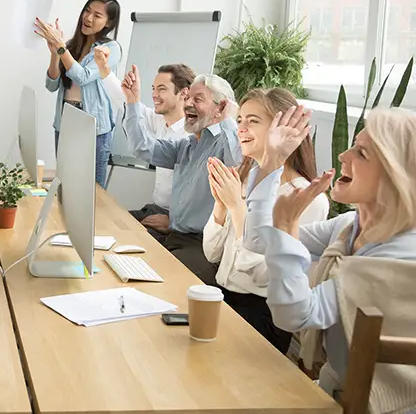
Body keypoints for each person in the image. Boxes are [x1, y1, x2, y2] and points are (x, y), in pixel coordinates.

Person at [244, 106, 416, 405]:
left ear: (395, 175)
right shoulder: (350, 225)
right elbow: (257, 239)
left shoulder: (402, 254)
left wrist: (286, 226)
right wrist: (273, 159)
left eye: (361, 153)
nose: (342, 156)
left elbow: (294, 315)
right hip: (334, 389)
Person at [203, 88, 328, 354]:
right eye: (240, 120)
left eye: (253, 121)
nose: (242, 128)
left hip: (262, 317)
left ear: (282, 128)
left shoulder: (305, 198)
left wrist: (237, 207)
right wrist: (221, 205)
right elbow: (212, 254)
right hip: (222, 297)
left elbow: (264, 274)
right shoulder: (243, 177)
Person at [122, 66, 242, 285]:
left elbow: (238, 163)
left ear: (220, 108)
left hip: (202, 246)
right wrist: (132, 102)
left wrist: (229, 120)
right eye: (188, 98)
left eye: (198, 99)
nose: (188, 104)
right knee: (122, 241)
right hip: (176, 235)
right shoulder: (186, 146)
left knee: (156, 279)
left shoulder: (225, 144)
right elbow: (143, 147)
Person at [95, 54, 193, 237]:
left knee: (121, 236)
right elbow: (126, 102)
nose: (154, 95)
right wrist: (103, 68)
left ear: (184, 93)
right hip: (154, 209)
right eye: (153, 88)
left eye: (162, 89)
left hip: (176, 221)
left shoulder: (192, 137)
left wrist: (175, 221)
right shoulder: (159, 120)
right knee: (103, 221)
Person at [35, 0, 122, 188]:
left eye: (97, 15)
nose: (88, 17)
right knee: (66, 186)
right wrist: (55, 53)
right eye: (87, 11)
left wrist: (60, 47)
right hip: (65, 122)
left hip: (94, 129)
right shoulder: (71, 46)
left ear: (108, 23)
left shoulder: (110, 49)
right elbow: (51, 85)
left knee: (93, 192)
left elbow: (82, 77)